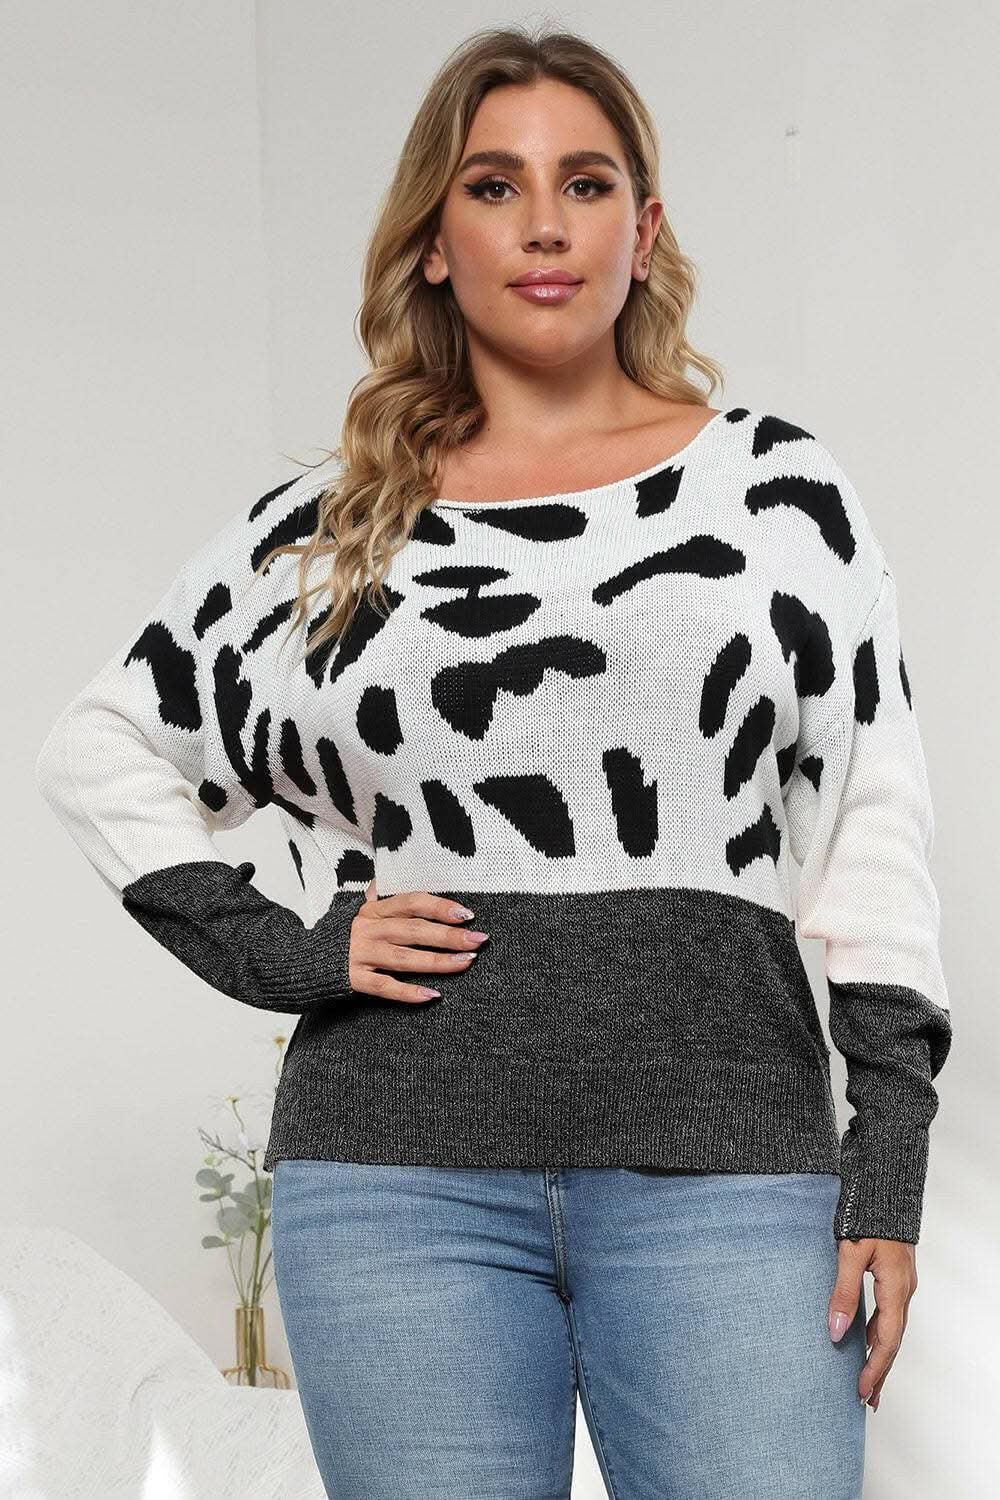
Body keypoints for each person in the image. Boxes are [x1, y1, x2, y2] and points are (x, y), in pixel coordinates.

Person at [34, 24, 952, 1500]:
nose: (543, 224)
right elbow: (102, 746)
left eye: (586, 183)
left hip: (728, 1168)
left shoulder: (775, 493)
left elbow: (874, 830)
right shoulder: (330, 527)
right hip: (391, 1182)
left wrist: (888, 1164)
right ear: (433, 240)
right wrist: (287, 951)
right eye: (493, 185)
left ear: (644, 232)